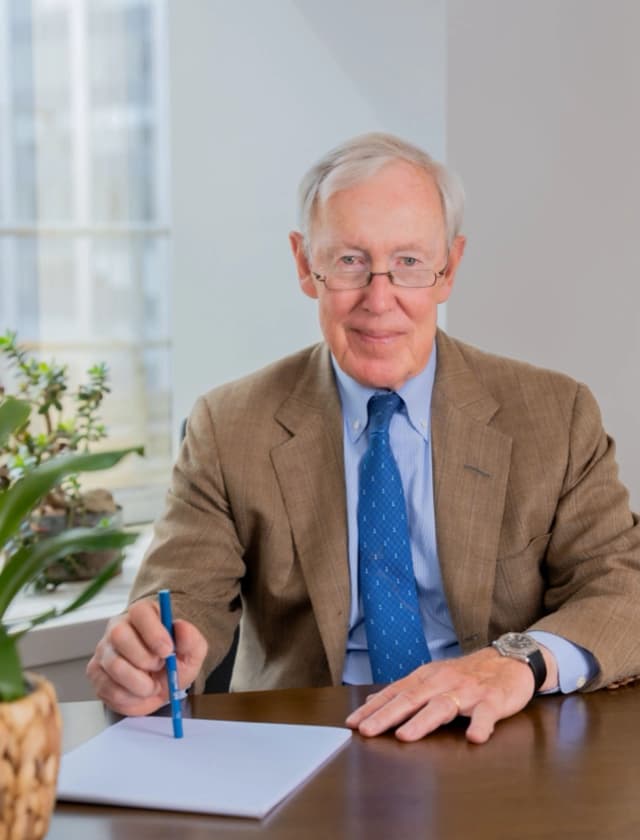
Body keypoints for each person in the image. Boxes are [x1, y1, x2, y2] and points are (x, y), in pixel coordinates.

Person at [87, 133, 640, 744]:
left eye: (409, 262)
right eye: (350, 260)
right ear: (306, 265)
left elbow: (623, 590)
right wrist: (148, 658)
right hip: (301, 745)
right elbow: (180, 600)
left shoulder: (554, 414)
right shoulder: (228, 425)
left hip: (495, 736)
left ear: (449, 268)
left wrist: (516, 661)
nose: (380, 300)